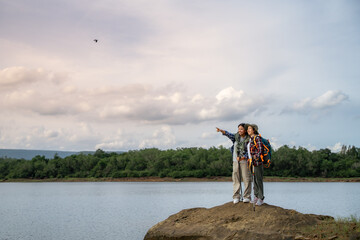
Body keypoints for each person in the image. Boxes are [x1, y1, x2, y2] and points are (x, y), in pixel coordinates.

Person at [216, 123, 252, 204]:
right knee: (236, 178)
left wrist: (243, 157)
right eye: (238, 129)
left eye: (241, 129)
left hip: (245, 161)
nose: (239, 130)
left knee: (246, 178)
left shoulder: (249, 139)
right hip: (235, 161)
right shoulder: (236, 137)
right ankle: (236, 197)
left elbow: (250, 150)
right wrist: (221, 131)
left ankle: (247, 197)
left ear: (245, 130)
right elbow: (229, 134)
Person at [247, 124, 265, 206]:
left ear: (254, 130)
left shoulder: (257, 138)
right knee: (254, 180)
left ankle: (261, 198)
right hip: (251, 163)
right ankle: (256, 196)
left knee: (259, 180)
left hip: (257, 163)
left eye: (250, 129)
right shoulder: (250, 139)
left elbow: (260, 149)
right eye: (247, 129)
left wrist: (256, 157)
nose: (248, 130)